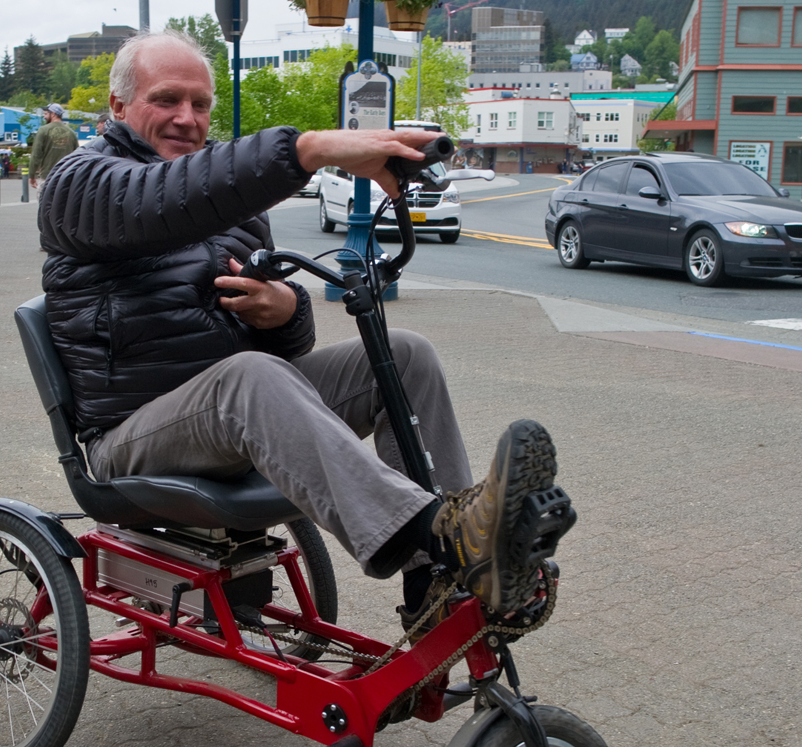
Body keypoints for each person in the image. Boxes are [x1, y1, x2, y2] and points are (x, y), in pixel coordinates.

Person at [37, 31, 561, 632]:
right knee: (248, 378)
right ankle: (444, 537)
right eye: (167, 99)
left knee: (404, 353)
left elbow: (286, 354)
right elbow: (157, 202)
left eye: (201, 104)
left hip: (233, 413)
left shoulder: (231, 204)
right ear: (118, 106)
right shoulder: (80, 183)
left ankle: (433, 588)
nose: (187, 118)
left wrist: (286, 310)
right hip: (133, 435)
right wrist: (309, 149)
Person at [29, 103, 78, 195]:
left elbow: (36, 155)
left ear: (53, 114)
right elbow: (78, 156)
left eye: (46, 114)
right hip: (66, 177)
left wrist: (31, 175)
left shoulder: (43, 130)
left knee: (45, 206)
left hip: (48, 175)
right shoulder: (71, 133)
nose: (44, 116)